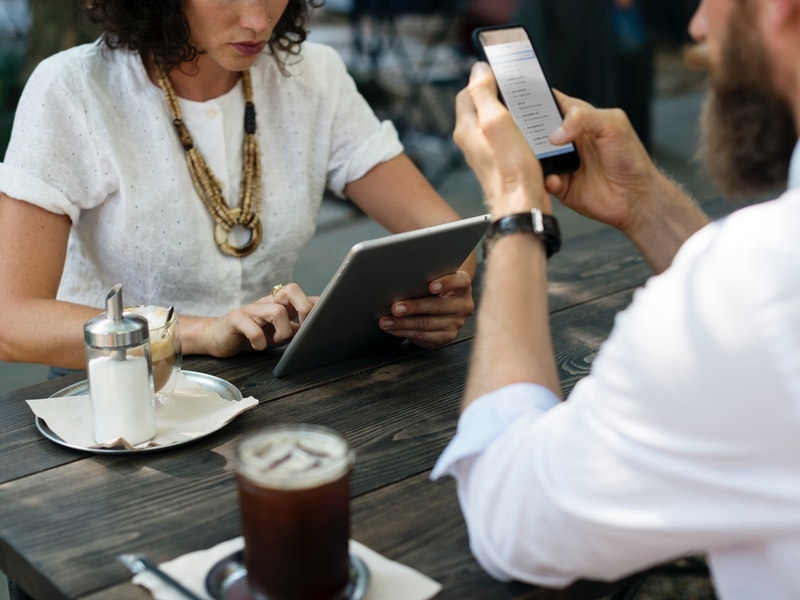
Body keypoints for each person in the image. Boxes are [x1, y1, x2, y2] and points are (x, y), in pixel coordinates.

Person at [432, 0, 800, 597]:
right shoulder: (760, 278)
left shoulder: (761, 284)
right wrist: (644, 202)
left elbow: (517, 519)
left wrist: (516, 209)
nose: (697, 25)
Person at [0, 0, 476, 373]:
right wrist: (201, 333)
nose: (258, 20)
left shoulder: (312, 75)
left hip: (266, 384)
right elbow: (11, 322)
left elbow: (448, 237)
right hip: (116, 395)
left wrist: (439, 297)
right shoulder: (75, 89)